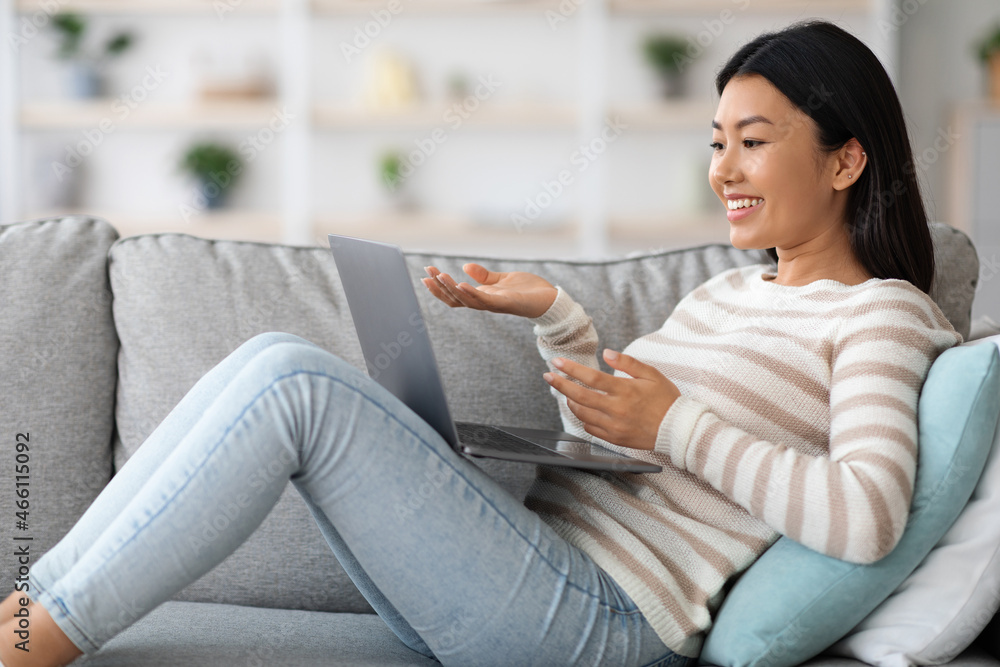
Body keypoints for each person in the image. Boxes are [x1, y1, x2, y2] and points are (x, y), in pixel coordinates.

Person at [0, 18, 964, 667]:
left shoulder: (879, 315)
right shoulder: (728, 290)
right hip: (536, 566)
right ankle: (25, 612)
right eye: (716, 141)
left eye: (753, 140)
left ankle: (25, 635)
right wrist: (558, 320)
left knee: (290, 381)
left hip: (608, 619)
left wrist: (676, 423)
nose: (724, 169)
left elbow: (865, 515)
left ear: (846, 157)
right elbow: (621, 443)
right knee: (269, 359)